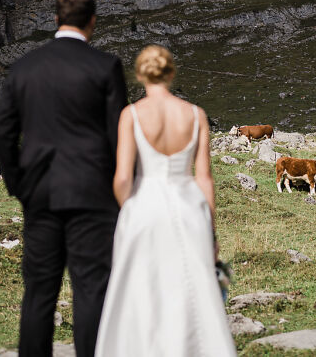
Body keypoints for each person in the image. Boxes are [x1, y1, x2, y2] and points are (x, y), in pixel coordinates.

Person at [0, 0, 128, 357]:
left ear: (55, 20)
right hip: (94, 196)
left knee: (38, 293)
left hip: (41, 195)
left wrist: (19, 186)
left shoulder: (24, 68)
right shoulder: (105, 67)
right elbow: (120, 137)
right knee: (92, 291)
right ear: (93, 22)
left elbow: (3, 133)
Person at [95, 45, 236, 357]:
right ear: (171, 73)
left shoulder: (131, 115)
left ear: (140, 74)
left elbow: (121, 178)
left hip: (144, 206)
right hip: (189, 207)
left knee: (141, 289)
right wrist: (211, 229)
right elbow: (204, 178)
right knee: (191, 289)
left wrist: (128, 207)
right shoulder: (196, 114)